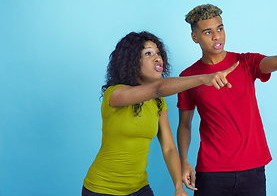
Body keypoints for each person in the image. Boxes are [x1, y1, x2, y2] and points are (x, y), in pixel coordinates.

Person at [176, 4, 277, 196]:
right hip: (211, 172)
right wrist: (184, 161)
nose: (217, 36)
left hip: (253, 170)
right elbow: (184, 125)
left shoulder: (245, 62)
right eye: (208, 32)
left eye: (220, 28)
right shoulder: (188, 77)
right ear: (194, 37)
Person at [82, 31, 239, 196]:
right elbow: (158, 89)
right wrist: (202, 79)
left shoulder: (158, 103)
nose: (157, 58)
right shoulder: (114, 95)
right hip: (102, 189)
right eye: (148, 53)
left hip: (139, 187)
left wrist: (178, 187)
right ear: (132, 62)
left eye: (158, 53)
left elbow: (169, 148)